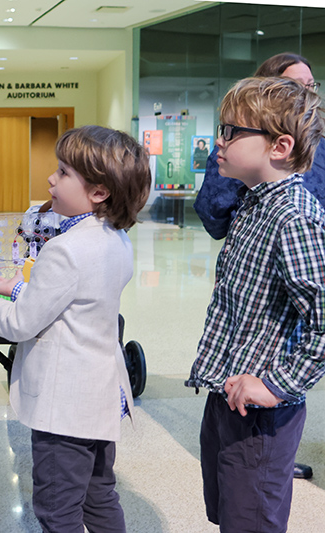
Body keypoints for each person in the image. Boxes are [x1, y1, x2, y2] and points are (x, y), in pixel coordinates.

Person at [0, 125, 151, 532]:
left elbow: (20, 323)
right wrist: (17, 286)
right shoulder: (115, 239)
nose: (51, 180)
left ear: (99, 191)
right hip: (101, 395)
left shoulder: (66, 249)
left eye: (64, 173)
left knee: (58, 510)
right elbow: (74, 302)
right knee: (98, 495)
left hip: (66, 408)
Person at [185, 77, 325, 532]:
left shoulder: (295, 216)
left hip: (263, 416)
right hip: (228, 396)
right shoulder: (251, 204)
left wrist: (278, 384)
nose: (218, 143)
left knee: (251, 523)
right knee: (228, 514)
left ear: (280, 146)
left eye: (231, 132)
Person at [194, 52, 325, 240]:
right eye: (293, 86)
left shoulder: (297, 220)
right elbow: (213, 215)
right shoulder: (233, 149)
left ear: (281, 147)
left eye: (310, 85)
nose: (306, 94)